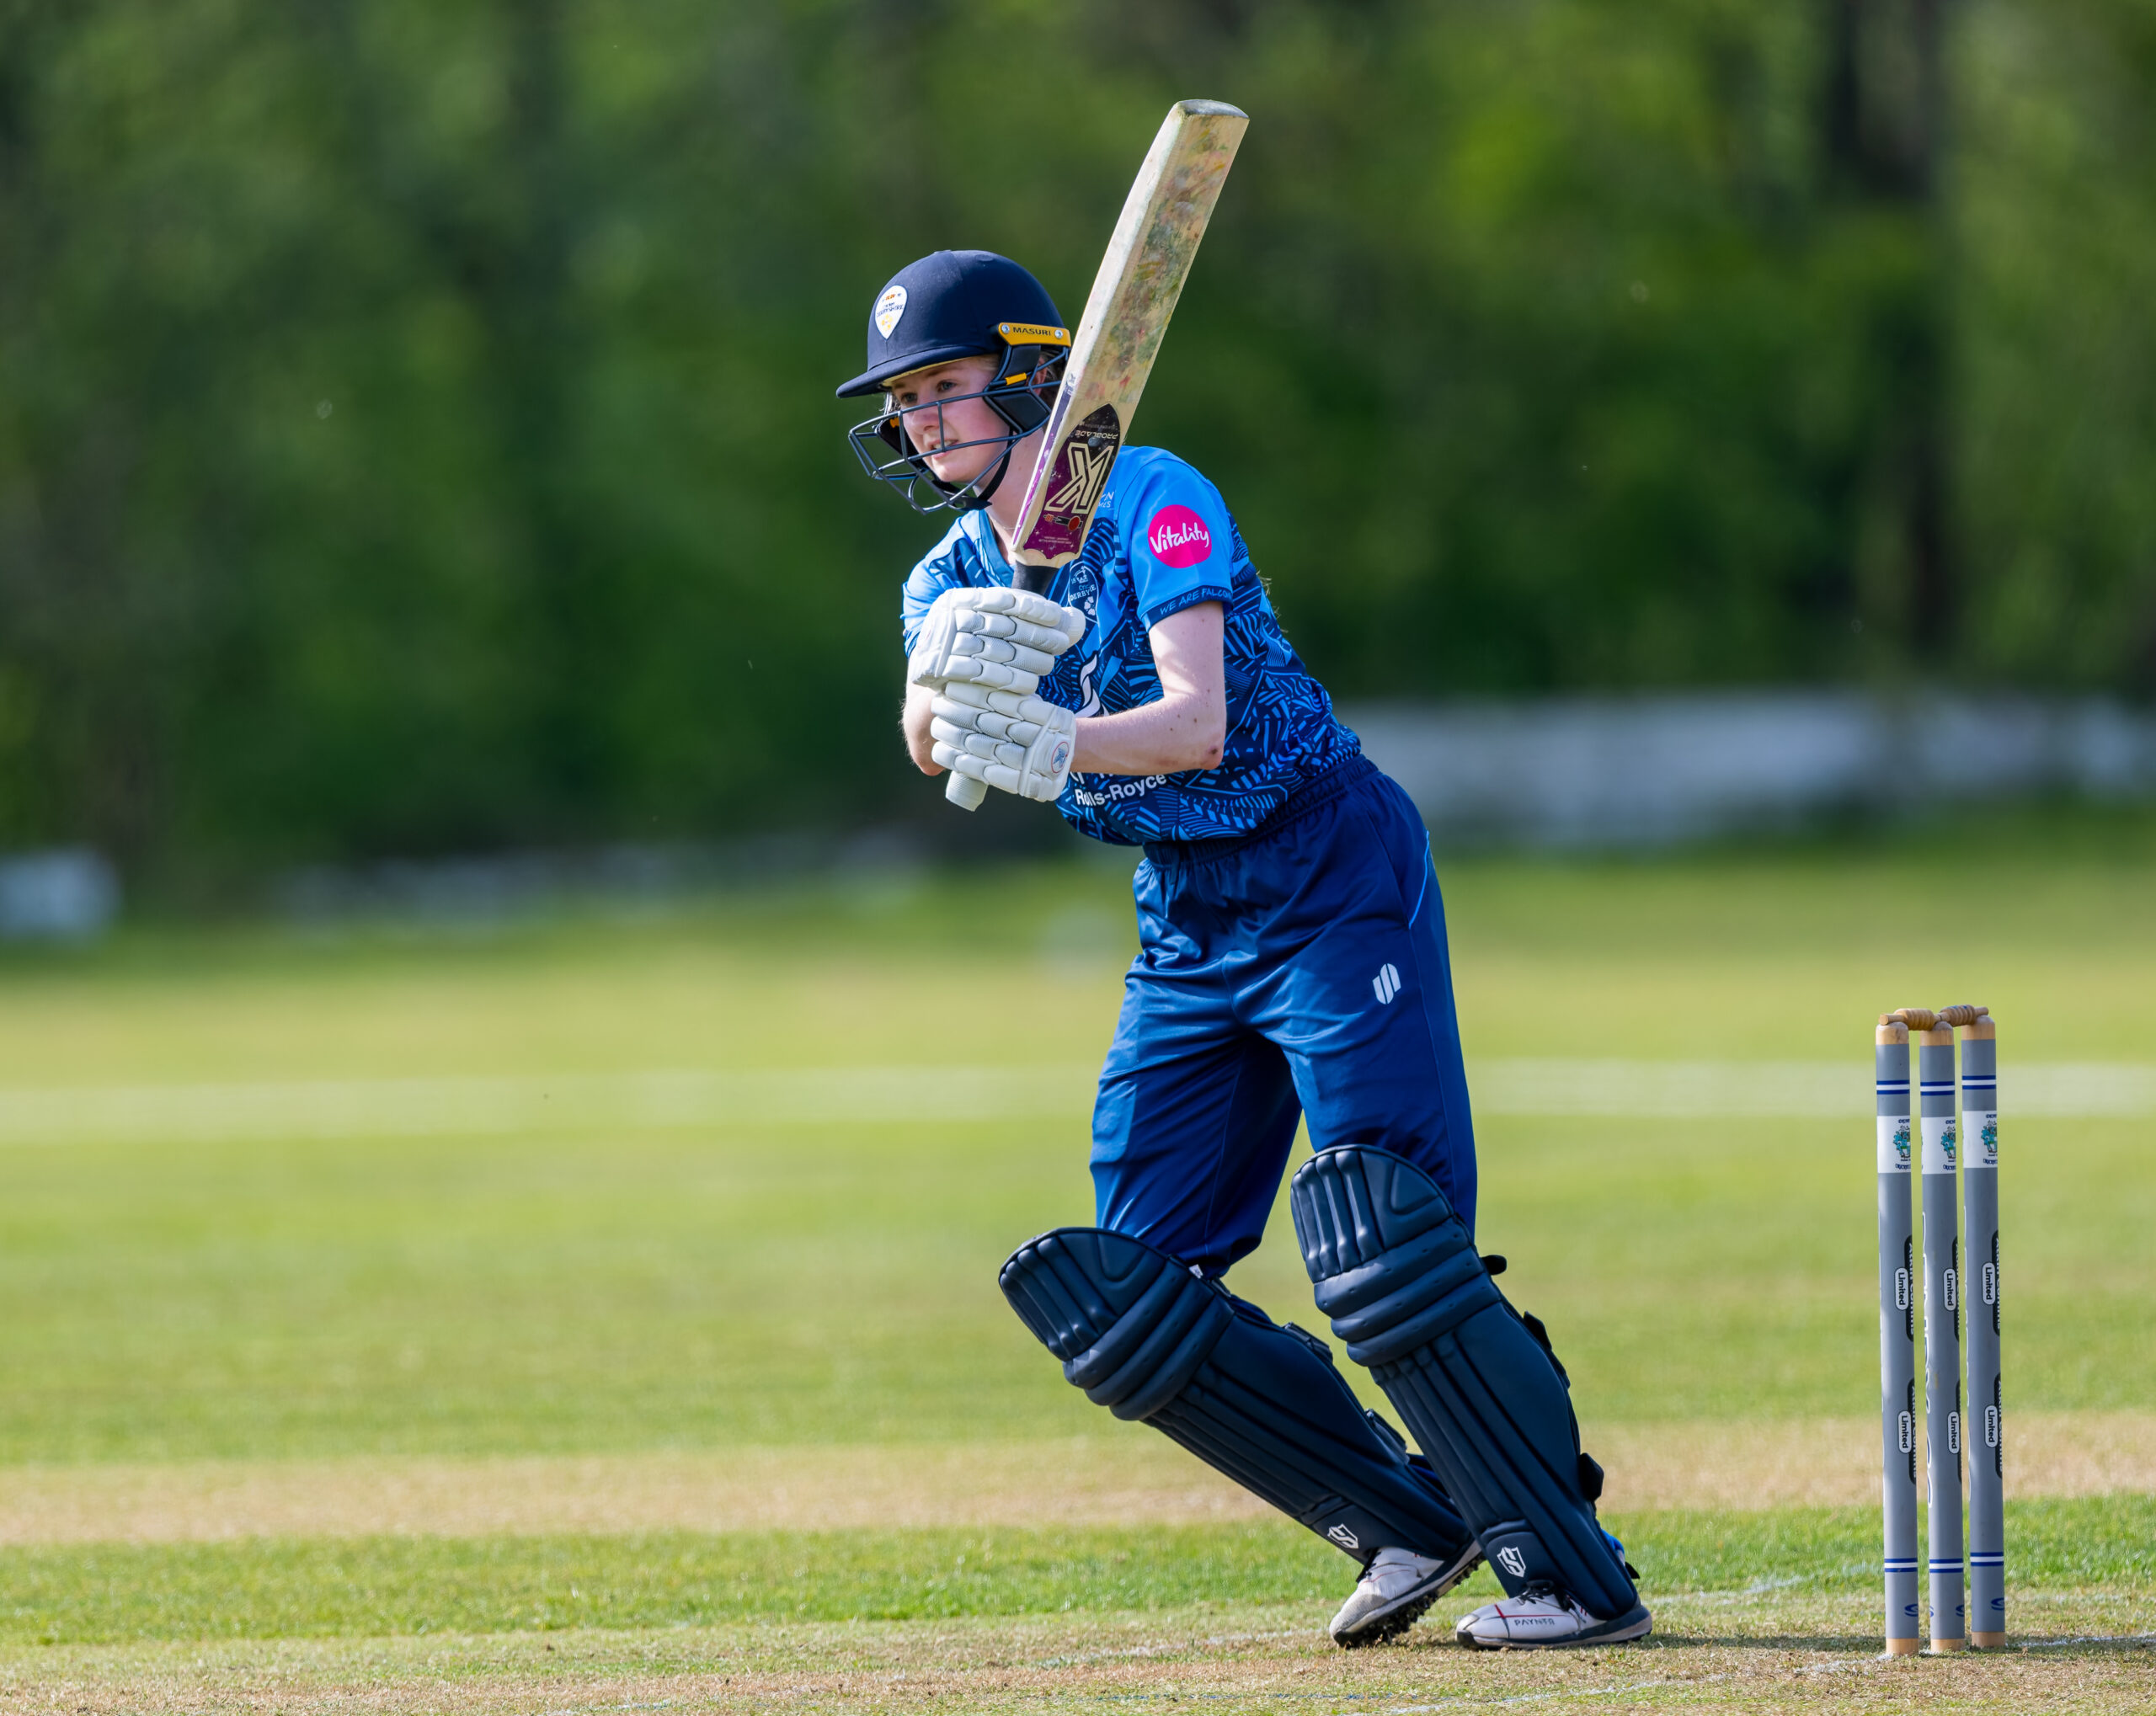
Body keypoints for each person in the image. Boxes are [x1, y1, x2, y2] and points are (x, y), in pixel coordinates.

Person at [835, 248, 1650, 1650]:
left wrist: (1053, 738)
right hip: (1188, 912)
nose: (918, 421)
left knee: (1381, 1232)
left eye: (942, 387)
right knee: (1128, 1294)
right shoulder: (948, 575)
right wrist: (947, 692)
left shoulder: (1155, 498)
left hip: (1324, 860)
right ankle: (1408, 1516)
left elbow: (1197, 725)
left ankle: (1565, 1560)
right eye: (902, 401)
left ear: (1029, 377)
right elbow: (928, 734)